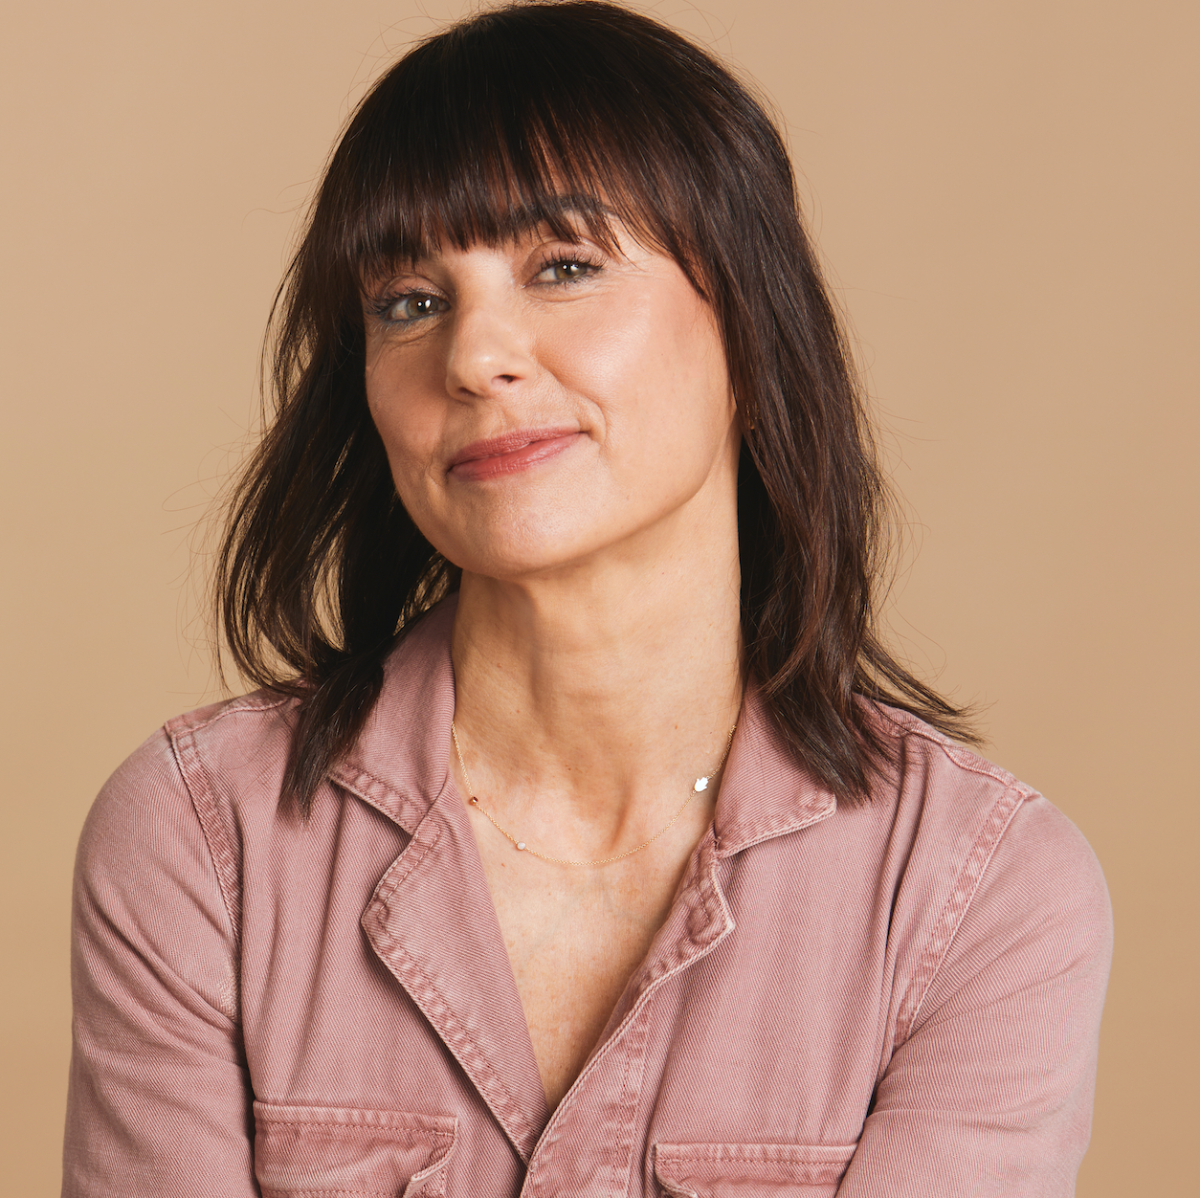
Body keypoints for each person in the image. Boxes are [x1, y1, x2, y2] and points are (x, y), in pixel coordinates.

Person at [62, 3, 1112, 1195]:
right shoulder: (206, 843)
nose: (472, 356)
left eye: (562, 268)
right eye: (408, 301)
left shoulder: (982, 893)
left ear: (752, 341)